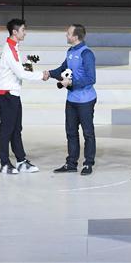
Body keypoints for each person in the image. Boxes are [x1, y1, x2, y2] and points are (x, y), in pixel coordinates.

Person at [0, 18, 44, 174]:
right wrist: (42, 75)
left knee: (16, 129)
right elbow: (20, 73)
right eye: (23, 30)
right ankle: (4, 163)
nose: (25, 32)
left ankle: (21, 161)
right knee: (7, 129)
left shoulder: (14, 47)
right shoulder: (9, 49)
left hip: (13, 93)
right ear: (15, 32)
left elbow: (17, 70)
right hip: (7, 94)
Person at [46, 24, 97, 175]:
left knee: (88, 133)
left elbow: (91, 78)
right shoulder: (70, 51)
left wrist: (72, 83)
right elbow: (62, 69)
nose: (66, 35)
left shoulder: (86, 54)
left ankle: (88, 163)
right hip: (72, 100)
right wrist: (48, 73)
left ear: (75, 37)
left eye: (68, 33)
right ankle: (71, 163)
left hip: (86, 100)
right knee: (71, 132)